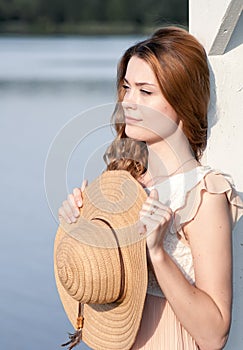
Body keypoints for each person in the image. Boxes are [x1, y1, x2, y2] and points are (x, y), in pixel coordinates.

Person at [58, 26, 243, 349]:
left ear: (182, 100)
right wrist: (78, 227)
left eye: (145, 92)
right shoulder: (125, 180)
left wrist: (157, 252)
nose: (128, 101)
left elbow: (214, 335)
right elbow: (104, 281)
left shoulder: (203, 193)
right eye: (127, 87)